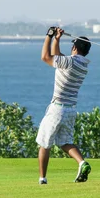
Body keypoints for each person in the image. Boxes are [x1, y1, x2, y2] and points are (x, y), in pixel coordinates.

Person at [36, 27, 92, 185]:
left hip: (57, 109)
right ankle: (82, 163)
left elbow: (46, 57)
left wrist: (49, 36)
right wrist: (57, 39)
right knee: (65, 142)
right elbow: (57, 58)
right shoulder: (82, 65)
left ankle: (42, 179)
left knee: (44, 143)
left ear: (74, 48)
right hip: (71, 110)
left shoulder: (69, 62)